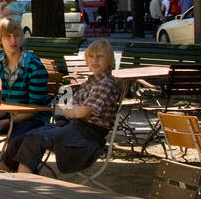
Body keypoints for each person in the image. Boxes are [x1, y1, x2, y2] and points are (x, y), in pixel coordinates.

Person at [15, 39, 122, 176]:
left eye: (100, 56)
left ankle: (22, 183)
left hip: (88, 135)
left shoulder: (106, 83)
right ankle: (6, 177)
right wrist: (72, 110)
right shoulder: (90, 82)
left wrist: (72, 111)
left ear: (110, 60)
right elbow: (70, 107)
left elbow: (80, 112)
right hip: (72, 126)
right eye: (91, 56)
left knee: (35, 139)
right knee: (21, 138)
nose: (95, 60)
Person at [0, 18, 51, 169]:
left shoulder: (34, 66)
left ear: (22, 37)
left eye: (17, 35)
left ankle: (2, 170)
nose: (13, 40)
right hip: (5, 115)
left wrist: (7, 122)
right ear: (0, 39)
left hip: (33, 117)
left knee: (17, 140)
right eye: (8, 36)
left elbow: (35, 108)